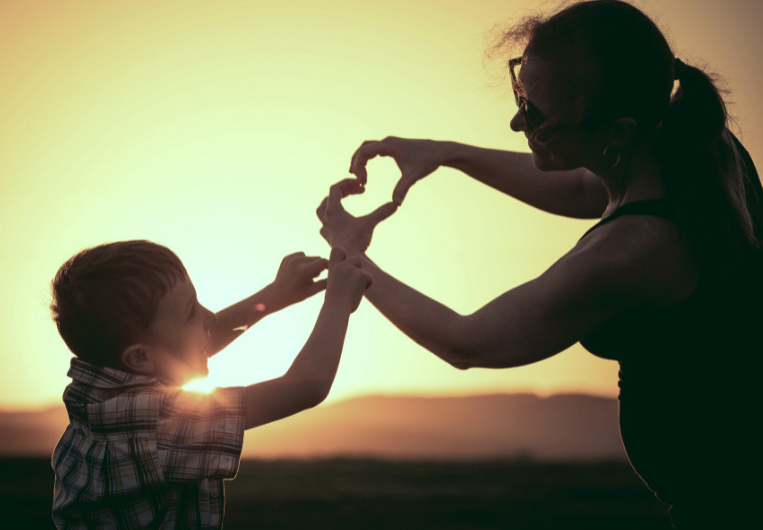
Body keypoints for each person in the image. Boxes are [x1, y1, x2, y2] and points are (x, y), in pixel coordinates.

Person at [316, 1, 762, 528]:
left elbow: (469, 341)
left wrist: (352, 255)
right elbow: (579, 183)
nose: (516, 120)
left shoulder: (636, 248)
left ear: (618, 131)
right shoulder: (692, 145)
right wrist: (447, 153)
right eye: (520, 94)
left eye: (538, 117)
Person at [49, 240, 371, 529]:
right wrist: (338, 300)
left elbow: (181, 351)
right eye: (191, 312)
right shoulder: (156, 425)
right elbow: (306, 386)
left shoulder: (95, 396)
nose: (209, 316)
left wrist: (272, 297)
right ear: (138, 358)